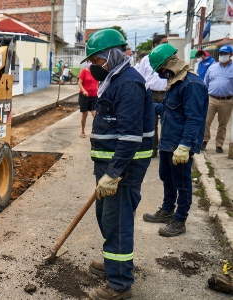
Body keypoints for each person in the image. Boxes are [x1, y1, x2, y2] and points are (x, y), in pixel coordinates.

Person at [82, 28, 154, 300]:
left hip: (122, 170)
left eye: (96, 61)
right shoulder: (114, 79)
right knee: (107, 218)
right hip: (109, 167)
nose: (92, 67)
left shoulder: (128, 84)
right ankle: (115, 263)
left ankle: (119, 283)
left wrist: (113, 173)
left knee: (117, 222)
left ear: (111, 56)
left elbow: (131, 135)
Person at [142, 44, 208, 237]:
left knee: (182, 182)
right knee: (167, 178)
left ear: (168, 64)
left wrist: (185, 145)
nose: (160, 74)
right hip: (168, 141)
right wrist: (148, 107)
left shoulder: (191, 85)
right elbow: (168, 110)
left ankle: (180, 220)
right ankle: (167, 209)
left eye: (160, 70)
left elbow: (194, 118)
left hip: (180, 144)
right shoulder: (175, 81)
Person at [135, 34, 169, 158]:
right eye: (163, 42)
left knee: (167, 122)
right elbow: (140, 78)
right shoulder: (146, 60)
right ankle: (153, 149)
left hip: (166, 93)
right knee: (151, 124)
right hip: (151, 94)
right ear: (155, 45)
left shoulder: (169, 57)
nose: (166, 45)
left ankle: (165, 149)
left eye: (167, 42)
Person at [202, 45, 233, 154]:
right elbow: (206, 82)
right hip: (211, 98)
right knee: (205, 120)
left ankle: (219, 144)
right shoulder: (212, 67)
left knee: (222, 124)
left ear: (231, 55)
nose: (222, 56)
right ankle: (204, 140)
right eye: (221, 54)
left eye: (225, 54)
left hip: (227, 100)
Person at [77, 63, 97, 138]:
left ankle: (96, 130)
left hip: (94, 96)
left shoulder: (96, 72)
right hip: (84, 96)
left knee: (95, 114)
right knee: (84, 114)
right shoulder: (84, 71)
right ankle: (82, 131)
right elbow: (79, 83)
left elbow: (98, 83)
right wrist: (84, 90)